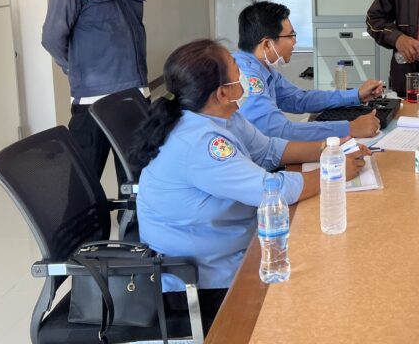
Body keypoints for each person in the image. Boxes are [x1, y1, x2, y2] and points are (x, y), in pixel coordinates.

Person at [133, 39, 367, 331]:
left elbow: (270, 149)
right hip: (201, 277)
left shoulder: (221, 115)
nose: (243, 77)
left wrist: (330, 150)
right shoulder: (202, 143)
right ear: (222, 92)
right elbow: (271, 191)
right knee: (320, 285)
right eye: (236, 71)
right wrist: (333, 172)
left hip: (234, 244)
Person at [41, 0, 147, 187]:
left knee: (136, 177)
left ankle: (133, 217)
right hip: (93, 99)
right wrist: (76, 67)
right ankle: (81, 218)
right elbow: (52, 38)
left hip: (134, 94)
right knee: (84, 178)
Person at [233, 0, 383, 140]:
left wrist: (356, 95)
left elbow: (299, 99)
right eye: (291, 35)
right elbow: (279, 130)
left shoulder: (263, 70)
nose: (295, 41)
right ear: (267, 45)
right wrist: (349, 128)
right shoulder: (246, 77)